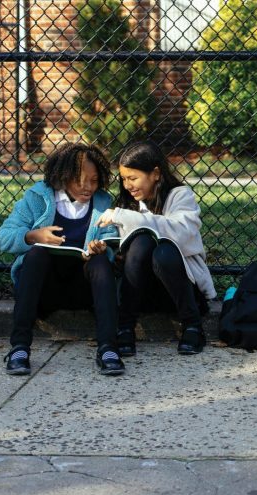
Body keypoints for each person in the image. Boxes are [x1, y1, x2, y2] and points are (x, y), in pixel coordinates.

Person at [0, 142, 125, 376]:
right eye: (80, 180)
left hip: (85, 289)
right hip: (45, 289)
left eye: (94, 180)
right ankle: (20, 348)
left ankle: (108, 348)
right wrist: (32, 236)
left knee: (99, 262)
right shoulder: (38, 198)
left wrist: (102, 248)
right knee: (36, 254)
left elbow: (111, 237)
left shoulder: (103, 202)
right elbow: (3, 237)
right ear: (63, 176)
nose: (87, 187)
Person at [98, 140, 217, 356]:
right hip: (140, 292)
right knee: (142, 242)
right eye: (124, 179)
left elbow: (181, 232)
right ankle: (125, 327)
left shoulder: (180, 196)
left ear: (155, 173)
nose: (127, 186)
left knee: (163, 251)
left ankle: (192, 325)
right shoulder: (127, 203)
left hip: (179, 290)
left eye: (133, 178)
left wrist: (127, 217)